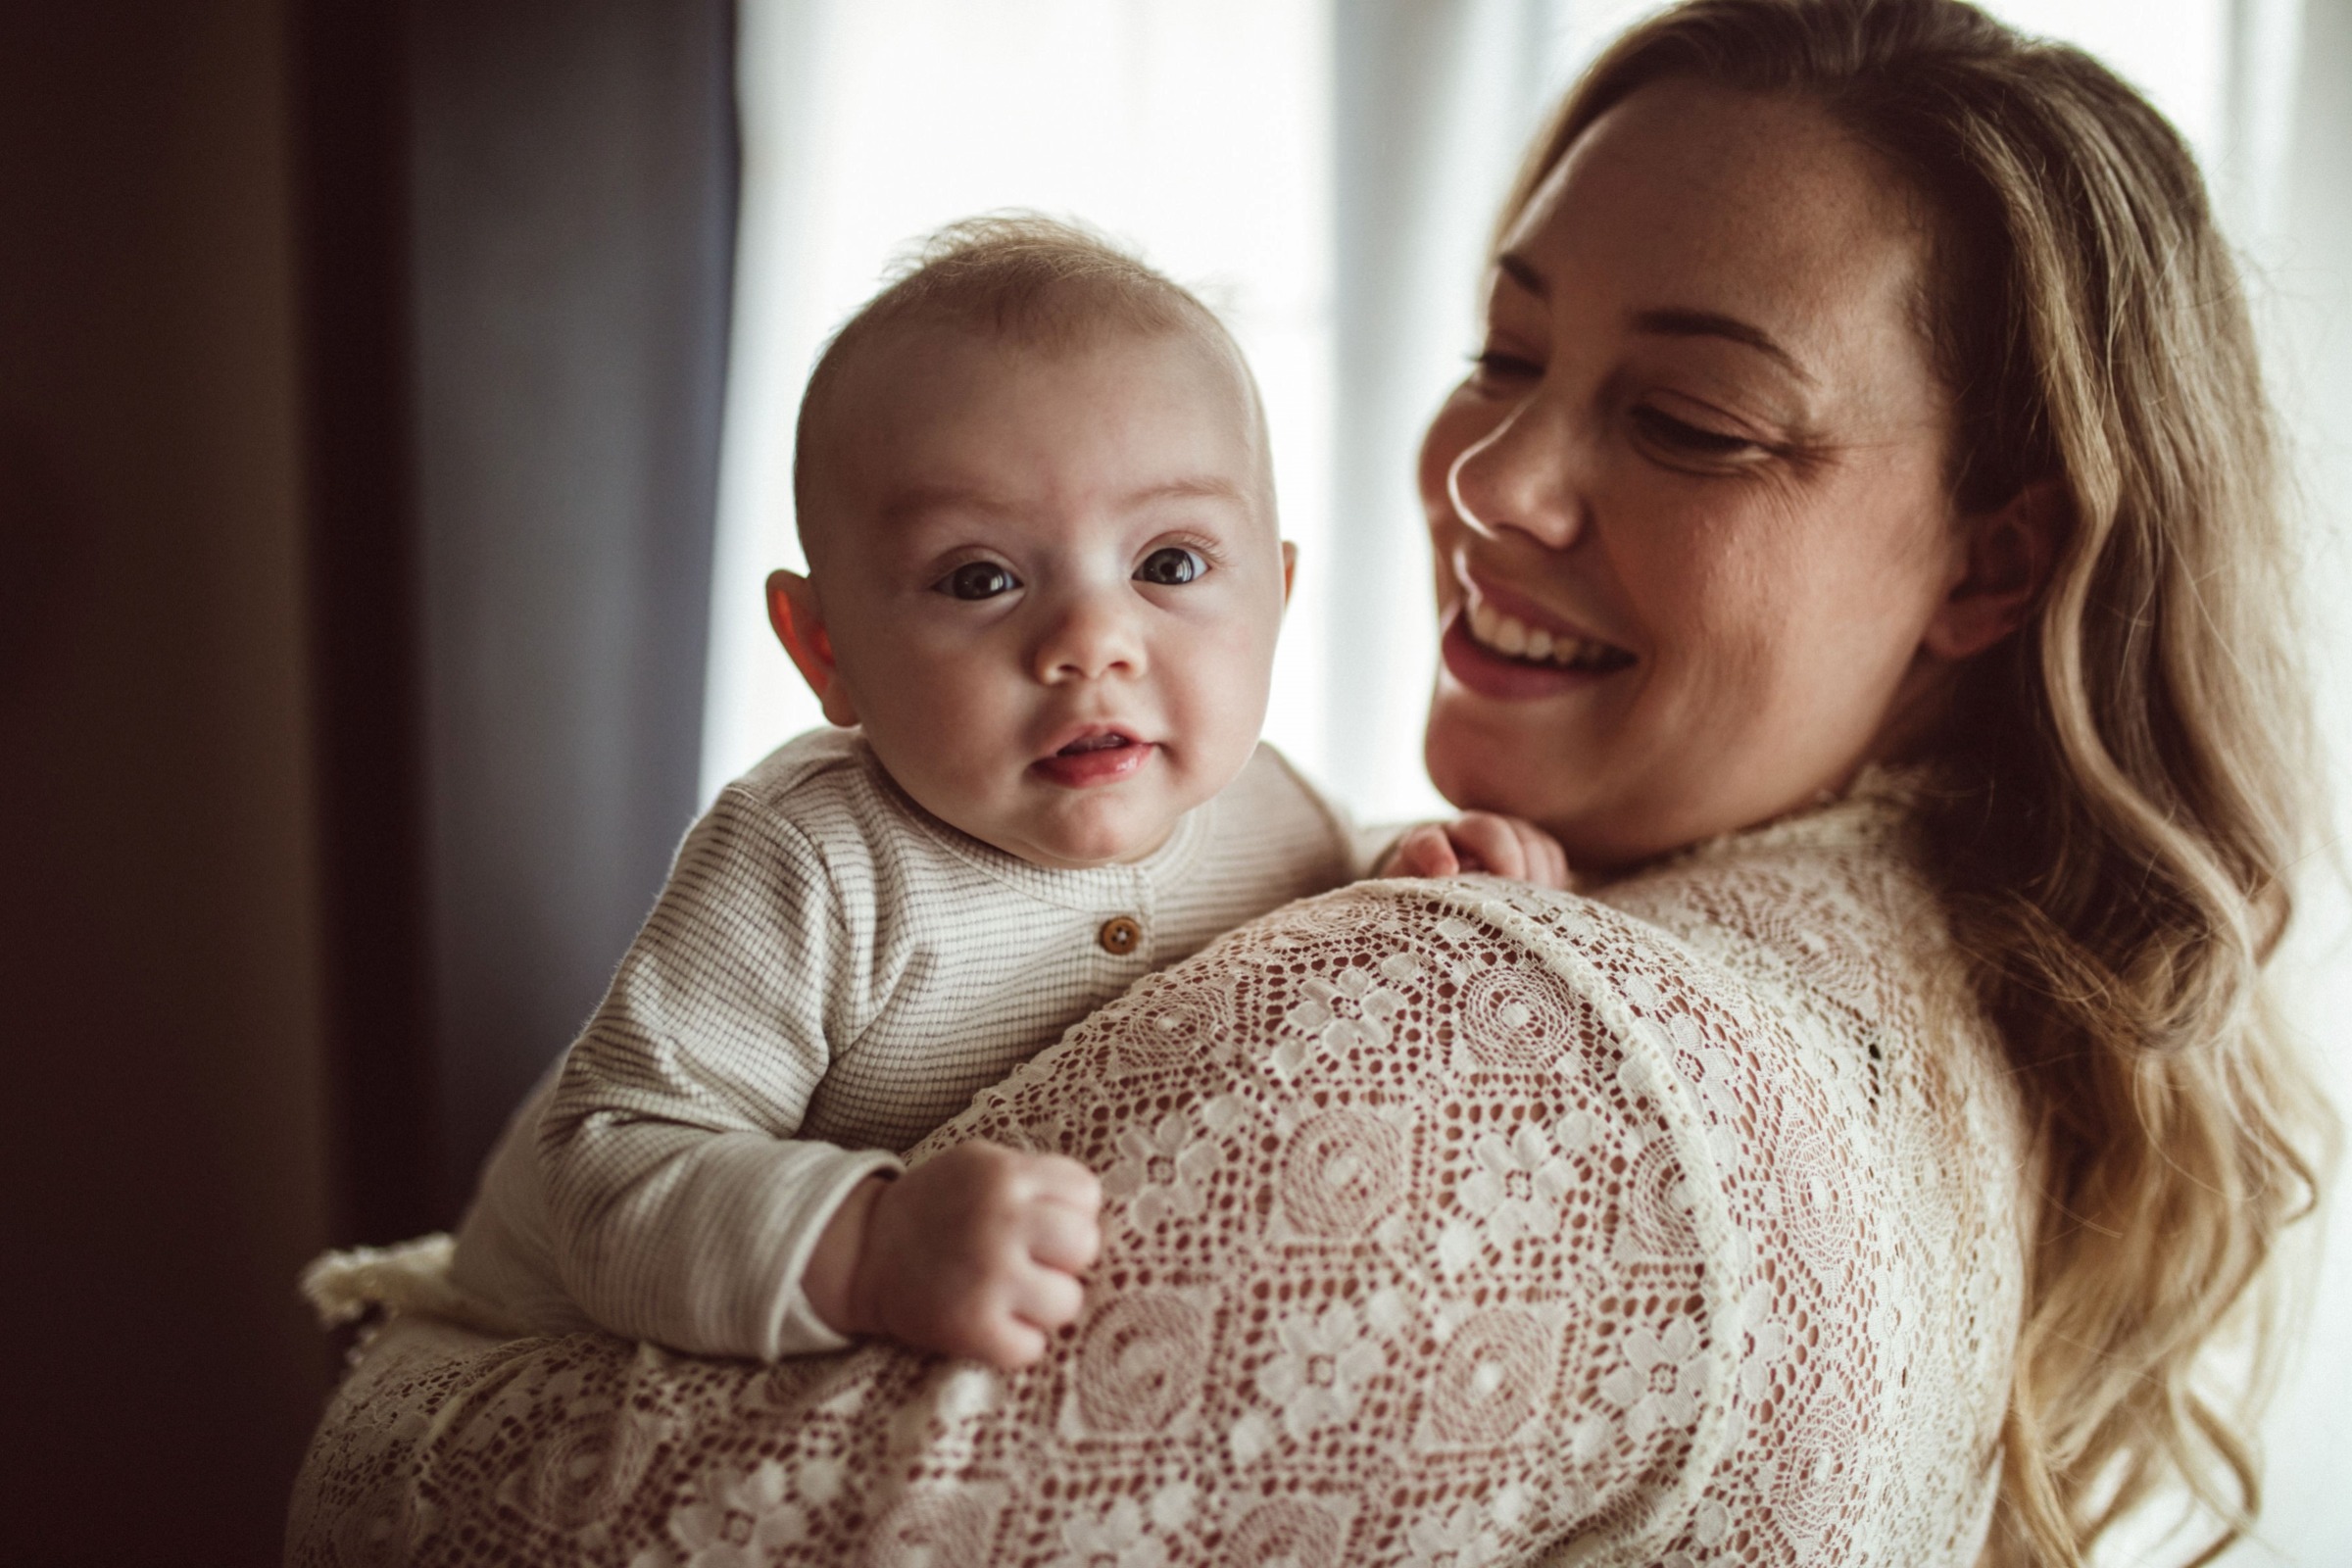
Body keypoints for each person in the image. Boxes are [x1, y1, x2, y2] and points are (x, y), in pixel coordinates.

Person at [286, 2, 2330, 1564]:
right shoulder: (1900, 984)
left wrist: (377, 1421)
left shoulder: (1500, 1056)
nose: (1488, 477)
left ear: (1993, 559)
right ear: (823, 637)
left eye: (1696, 421)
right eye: (1505, 351)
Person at [302, 216, 1563, 1373]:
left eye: (1169, 562)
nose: (1091, 641)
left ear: (1277, 600)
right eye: (979, 579)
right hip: (538, 1341)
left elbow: (1341, 882)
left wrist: (1434, 867)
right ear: (824, 649)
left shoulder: (1269, 806)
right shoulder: (809, 864)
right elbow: (608, 1170)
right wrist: (870, 1246)